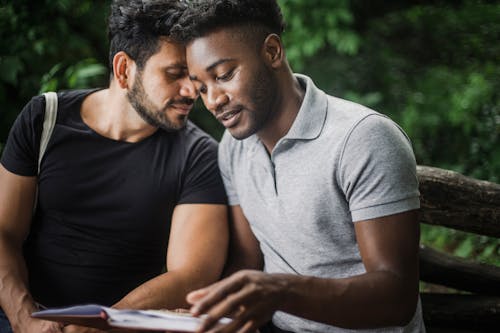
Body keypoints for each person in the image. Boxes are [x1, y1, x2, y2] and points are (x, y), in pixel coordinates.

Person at [172, 0, 425, 332]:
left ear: (273, 52)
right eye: (203, 86)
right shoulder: (233, 148)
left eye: (224, 75)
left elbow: (396, 298)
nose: (213, 100)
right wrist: (206, 314)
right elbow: (249, 260)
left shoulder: (363, 138)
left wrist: (280, 291)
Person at [0, 1, 229, 332]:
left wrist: (100, 322)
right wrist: (25, 320)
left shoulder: (199, 155)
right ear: (124, 70)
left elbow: (190, 274)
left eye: (194, 76)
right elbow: (5, 233)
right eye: (175, 74)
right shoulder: (44, 119)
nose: (192, 90)